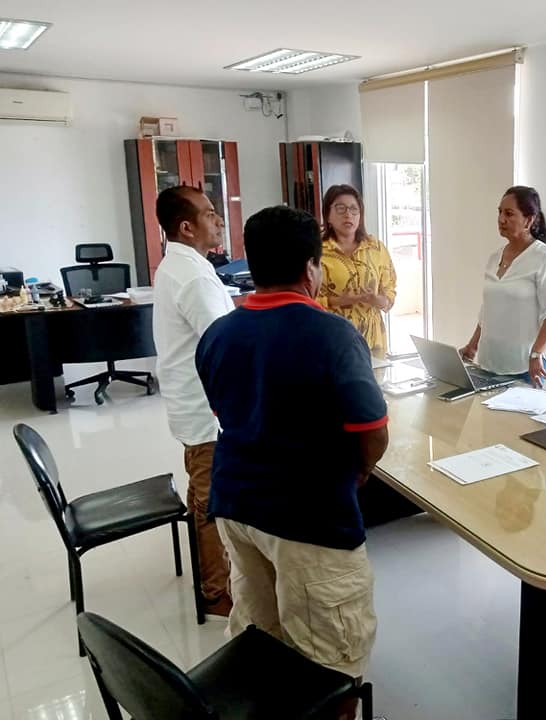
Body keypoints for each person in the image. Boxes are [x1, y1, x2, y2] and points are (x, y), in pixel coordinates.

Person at [196, 206, 388, 715]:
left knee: (262, 637)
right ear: (310, 268)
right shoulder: (332, 334)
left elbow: (229, 413)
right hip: (309, 519)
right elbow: (372, 430)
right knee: (333, 664)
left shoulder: (217, 335)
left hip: (236, 507)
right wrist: (361, 469)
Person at [153, 185, 235, 617]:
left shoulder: (183, 265)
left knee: (203, 491)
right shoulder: (193, 277)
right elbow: (224, 345)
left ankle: (214, 575)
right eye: (209, 213)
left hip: (192, 403)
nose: (218, 219)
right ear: (186, 227)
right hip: (204, 409)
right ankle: (215, 592)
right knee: (209, 499)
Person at [459, 186, 546, 388]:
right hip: (489, 363)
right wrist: (472, 346)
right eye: (500, 212)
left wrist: (536, 354)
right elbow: (487, 312)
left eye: (509, 214)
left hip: (525, 368)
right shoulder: (494, 258)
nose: (501, 219)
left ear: (529, 220)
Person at [316, 184, 397, 358]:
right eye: (341, 208)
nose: (348, 214)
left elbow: (390, 292)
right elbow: (305, 299)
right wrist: (339, 301)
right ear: (327, 215)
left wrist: (378, 300)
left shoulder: (376, 248)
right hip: (333, 337)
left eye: (354, 209)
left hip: (372, 340)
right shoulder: (316, 251)